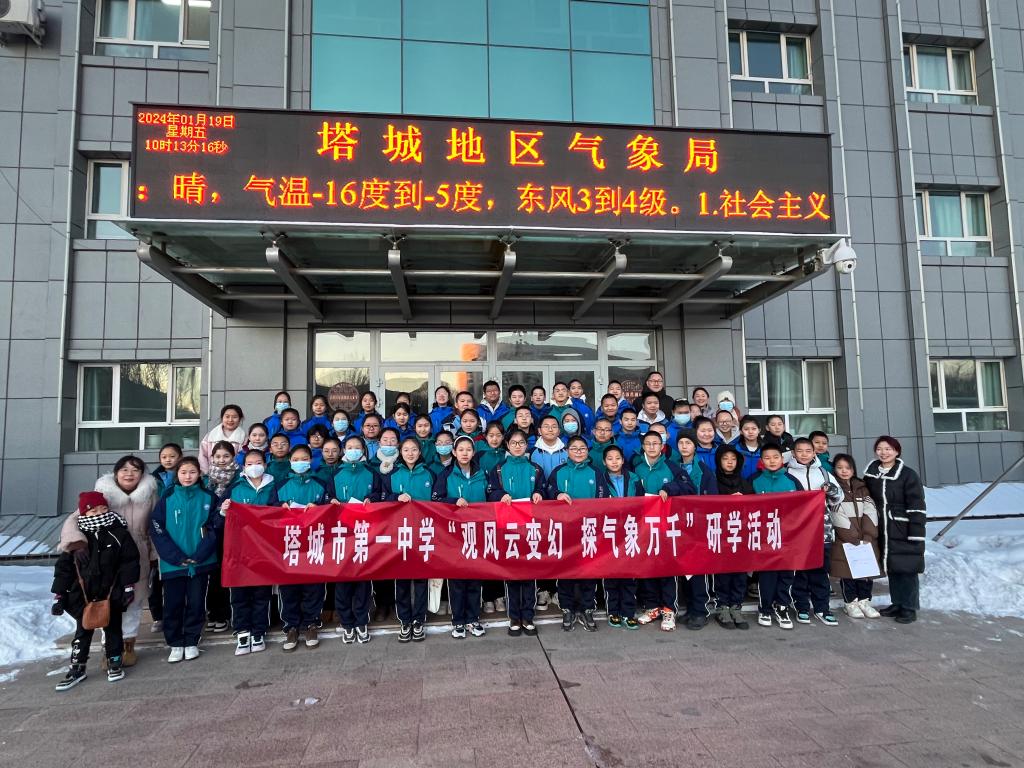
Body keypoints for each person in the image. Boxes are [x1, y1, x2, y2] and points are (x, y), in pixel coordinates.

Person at [59, 455, 159, 668]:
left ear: (142, 474)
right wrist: (77, 543)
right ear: (115, 473)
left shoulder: (150, 494)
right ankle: (110, 648)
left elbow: (155, 525)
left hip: (137, 556)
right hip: (105, 557)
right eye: (124, 469)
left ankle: (128, 645)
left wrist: (154, 556)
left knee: (133, 601)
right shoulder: (103, 493)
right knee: (108, 602)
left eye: (135, 470)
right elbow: (75, 519)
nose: (129, 474)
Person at [52, 491, 141, 690]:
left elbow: (129, 561)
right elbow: (64, 569)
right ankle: (77, 667)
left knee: (113, 628)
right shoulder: (76, 538)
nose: (99, 514)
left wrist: (128, 586)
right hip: (83, 594)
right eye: (93, 511)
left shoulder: (118, 533)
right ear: (84, 514)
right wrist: (60, 594)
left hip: (111, 591)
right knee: (82, 631)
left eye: (103, 509)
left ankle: (114, 660)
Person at [149, 457, 220, 663]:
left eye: (192, 472)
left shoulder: (209, 497)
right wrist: (175, 556)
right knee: (173, 604)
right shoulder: (167, 496)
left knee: (197, 602)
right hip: (173, 563)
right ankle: (175, 643)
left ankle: (191, 640)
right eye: (183, 472)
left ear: (199, 474)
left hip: (201, 562)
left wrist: (200, 554)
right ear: (177, 475)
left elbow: (215, 528)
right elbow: (157, 527)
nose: (188, 476)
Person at [632, 432, 695, 631]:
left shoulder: (672, 466)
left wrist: (669, 488)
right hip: (643, 526)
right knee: (648, 567)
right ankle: (652, 606)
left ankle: (669, 609)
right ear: (643, 446)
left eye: (655, 443)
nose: (651, 447)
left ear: (662, 446)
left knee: (667, 567)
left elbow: (689, 487)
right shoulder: (636, 468)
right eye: (648, 444)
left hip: (667, 526)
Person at [486, 429, 545, 637]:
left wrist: (539, 493)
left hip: (530, 528)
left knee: (529, 572)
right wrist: (500, 495)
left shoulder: (535, 469)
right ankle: (514, 617)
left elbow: (543, 490)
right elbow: (490, 492)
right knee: (511, 573)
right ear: (507, 445)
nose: (517, 446)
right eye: (513, 443)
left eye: (521, 443)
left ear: (526, 445)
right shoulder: (499, 469)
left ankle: (528, 616)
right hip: (508, 528)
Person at [220, 449, 279, 655]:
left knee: (261, 593)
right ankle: (242, 632)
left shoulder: (274, 486)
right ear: (243, 467)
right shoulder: (235, 487)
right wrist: (224, 510)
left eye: (258, 462)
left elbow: (278, 513)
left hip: (264, 549)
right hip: (239, 549)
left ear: (265, 464)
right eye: (250, 463)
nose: (254, 466)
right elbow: (219, 518)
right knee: (240, 593)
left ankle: (258, 632)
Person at [547, 436, 609, 632]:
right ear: (567, 451)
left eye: (582, 448)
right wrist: (557, 494)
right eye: (574, 448)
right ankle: (567, 608)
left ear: (587, 451)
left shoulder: (595, 472)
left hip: (589, 530)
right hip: (565, 530)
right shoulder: (558, 471)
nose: (579, 452)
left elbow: (602, 498)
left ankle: (587, 608)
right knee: (565, 571)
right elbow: (548, 490)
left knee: (588, 571)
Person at [863, 436, 926, 624]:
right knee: (893, 567)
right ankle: (897, 603)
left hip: (902, 528)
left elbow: (917, 505)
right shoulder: (872, 474)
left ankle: (909, 607)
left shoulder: (908, 475)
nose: (884, 453)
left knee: (907, 569)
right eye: (880, 449)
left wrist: (916, 533)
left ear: (897, 451)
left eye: (888, 449)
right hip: (882, 529)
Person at [275, 445, 331, 651]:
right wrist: (280, 508)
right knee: (289, 586)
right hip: (288, 544)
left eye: (304, 459)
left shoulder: (320, 483)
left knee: (313, 585)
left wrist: (318, 509)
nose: (300, 462)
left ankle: (311, 624)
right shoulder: (280, 485)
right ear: (290, 461)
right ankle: (291, 626)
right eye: (296, 459)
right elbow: (268, 512)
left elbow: (330, 511)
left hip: (314, 542)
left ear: (311, 461)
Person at [433, 436, 488, 639]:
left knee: (475, 577)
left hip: (477, 532)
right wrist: (453, 501)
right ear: (454, 452)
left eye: (468, 450)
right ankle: (458, 621)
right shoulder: (446, 474)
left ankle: (473, 618)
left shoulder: (482, 474)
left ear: (473, 452)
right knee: (456, 579)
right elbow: (436, 499)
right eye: (461, 449)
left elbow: (491, 496)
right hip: (453, 534)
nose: (465, 453)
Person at [330, 435, 384, 645]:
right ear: (344, 450)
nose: (353, 450)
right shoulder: (336, 474)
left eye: (357, 447)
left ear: (363, 450)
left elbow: (380, 495)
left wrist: (373, 500)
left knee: (363, 580)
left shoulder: (372, 473)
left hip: (365, 534)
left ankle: (362, 621)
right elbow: (327, 499)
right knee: (343, 581)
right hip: (342, 534)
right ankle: (347, 623)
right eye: (349, 447)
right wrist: (332, 502)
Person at [384, 437, 435, 642]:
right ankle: (405, 620)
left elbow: (438, 500)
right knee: (402, 578)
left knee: (421, 578)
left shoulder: (430, 474)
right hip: (400, 534)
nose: (410, 453)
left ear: (420, 452)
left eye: (414, 449)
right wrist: (395, 497)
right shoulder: (392, 475)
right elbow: (381, 498)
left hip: (423, 532)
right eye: (406, 450)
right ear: (400, 452)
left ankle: (418, 620)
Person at [787, 438, 843, 626]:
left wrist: (830, 490)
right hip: (798, 533)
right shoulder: (787, 473)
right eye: (800, 451)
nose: (804, 454)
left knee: (821, 571)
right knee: (800, 572)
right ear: (793, 453)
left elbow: (838, 498)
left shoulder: (823, 473)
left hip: (822, 530)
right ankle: (801, 607)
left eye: (808, 451)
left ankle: (822, 608)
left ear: (814, 453)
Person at [745, 443, 800, 629]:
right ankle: (765, 608)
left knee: (786, 574)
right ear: (761, 460)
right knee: (767, 575)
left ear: (782, 459)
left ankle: (782, 607)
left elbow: (804, 507)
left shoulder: (792, 481)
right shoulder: (754, 480)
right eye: (767, 458)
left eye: (775, 457)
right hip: (764, 537)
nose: (772, 461)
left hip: (788, 537)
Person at [829, 454, 881, 619]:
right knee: (848, 574)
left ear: (853, 469)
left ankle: (864, 601)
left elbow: (870, 510)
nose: (844, 471)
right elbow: (836, 514)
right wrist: (851, 536)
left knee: (866, 572)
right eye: (840, 468)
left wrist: (868, 534)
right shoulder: (834, 489)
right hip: (845, 539)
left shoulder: (862, 487)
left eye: (848, 468)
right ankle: (850, 602)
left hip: (866, 539)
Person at [600, 446, 644, 629]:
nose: (614, 462)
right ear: (604, 462)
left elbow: (642, 502)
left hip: (630, 530)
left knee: (629, 573)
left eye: (618, 458)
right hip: (609, 531)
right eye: (610, 458)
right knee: (611, 573)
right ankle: (613, 611)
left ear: (623, 460)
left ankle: (628, 612)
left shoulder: (634, 478)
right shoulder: (600, 478)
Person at [711, 445, 750, 630]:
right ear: (718, 461)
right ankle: (722, 606)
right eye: (725, 458)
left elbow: (756, 507)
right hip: (720, 534)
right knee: (723, 571)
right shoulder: (713, 481)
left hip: (741, 534)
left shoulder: (745, 482)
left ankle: (736, 606)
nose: (729, 462)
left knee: (740, 572)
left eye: (733, 459)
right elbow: (708, 505)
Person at [203, 441, 238, 633]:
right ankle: (213, 613)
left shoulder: (239, 479)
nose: (222, 460)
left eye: (226, 456)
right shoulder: (206, 480)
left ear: (233, 457)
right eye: (218, 456)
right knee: (213, 574)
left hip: (232, 533)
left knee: (228, 572)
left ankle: (225, 614)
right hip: (211, 533)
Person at [199, 404, 245, 475]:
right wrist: (206, 473)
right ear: (222, 418)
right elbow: (202, 456)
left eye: (234, 417)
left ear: (240, 419)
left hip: (236, 476)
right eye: (227, 416)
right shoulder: (210, 436)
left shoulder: (244, 438)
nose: (230, 420)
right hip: (211, 475)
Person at [676, 431, 717, 495]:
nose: (684, 446)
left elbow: (712, 496)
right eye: (681, 443)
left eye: (688, 443)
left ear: (695, 446)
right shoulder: (672, 466)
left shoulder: (704, 470)